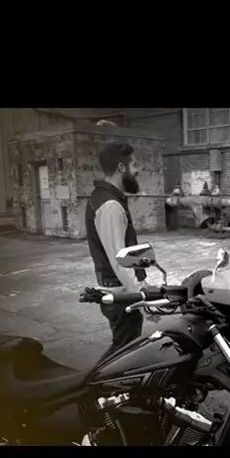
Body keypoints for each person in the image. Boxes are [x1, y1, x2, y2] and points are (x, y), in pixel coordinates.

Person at [85, 142, 149, 355]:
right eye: (134, 165)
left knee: (126, 348)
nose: (137, 170)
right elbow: (119, 259)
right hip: (120, 293)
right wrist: (141, 295)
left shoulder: (105, 197)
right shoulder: (110, 205)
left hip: (118, 289)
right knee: (124, 353)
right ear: (122, 167)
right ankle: (95, 378)